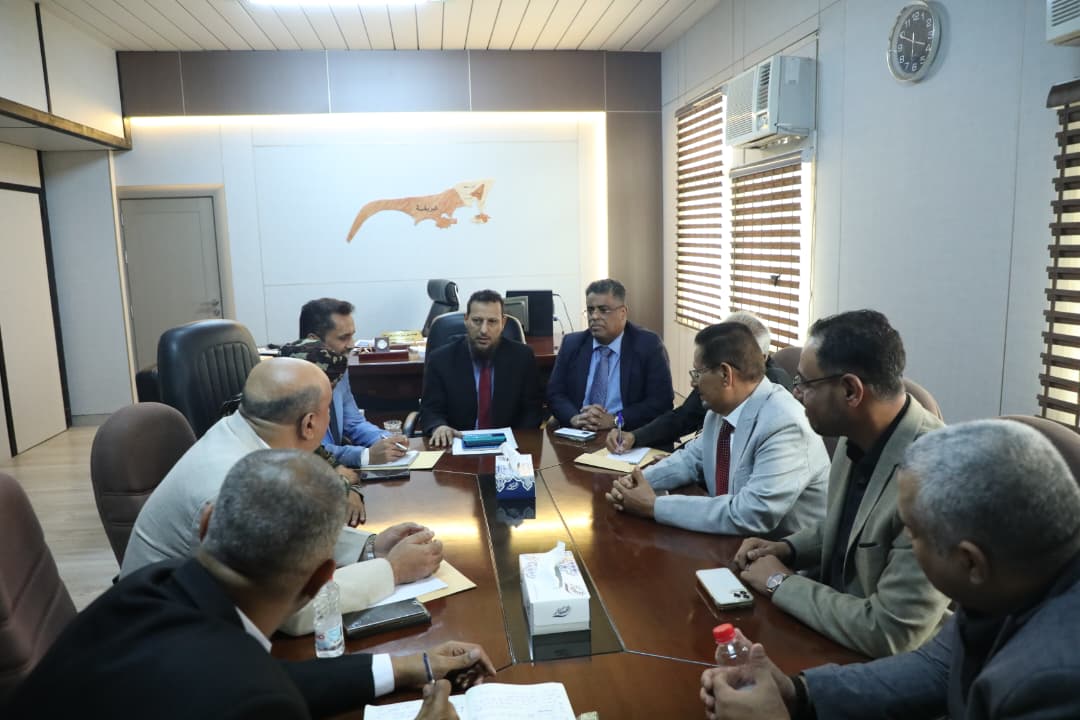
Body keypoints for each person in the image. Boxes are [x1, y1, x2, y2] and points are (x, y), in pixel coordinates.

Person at [8, 449, 494, 719]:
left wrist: (409, 666)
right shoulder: (251, 701)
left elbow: (265, 675)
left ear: (206, 525)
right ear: (321, 581)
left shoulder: (147, 586)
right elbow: (252, 687)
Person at [700, 420, 1080, 720]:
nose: (904, 540)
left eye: (912, 532)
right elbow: (936, 667)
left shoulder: (1052, 682)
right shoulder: (1012, 579)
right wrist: (797, 692)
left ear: (970, 562)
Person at [122, 358, 442, 623]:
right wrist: (392, 570)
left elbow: (288, 535)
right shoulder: (237, 486)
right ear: (309, 424)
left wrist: (370, 547)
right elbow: (290, 608)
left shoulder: (236, 431)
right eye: (329, 409)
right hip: (175, 638)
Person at [733, 310, 950, 658]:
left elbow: (890, 632)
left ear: (850, 390)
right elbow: (852, 526)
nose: (796, 394)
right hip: (828, 627)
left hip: (887, 663)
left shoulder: (935, 477)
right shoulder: (857, 433)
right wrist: (786, 549)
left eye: (805, 383)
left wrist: (779, 581)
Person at [604, 322, 827, 537]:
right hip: (729, 541)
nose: (693, 383)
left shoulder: (784, 424)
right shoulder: (719, 412)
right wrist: (637, 481)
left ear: (725, 374)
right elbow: (689, 460)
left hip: (779, 554)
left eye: (698, 373)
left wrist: (654, 506)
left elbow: (751, 513)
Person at [604, 310, 793, 453]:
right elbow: (684, 418)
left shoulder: (775, 395)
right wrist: (635, 436)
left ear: (762, 356)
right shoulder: (714, 381)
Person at [546, 278, 674, 432]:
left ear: (622, 313)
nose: (594, 316)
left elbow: (661, 402)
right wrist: (574, 418)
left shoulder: (648, 345)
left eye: (603, 310)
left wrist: (615, 420)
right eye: (590, 310)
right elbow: (555, 393)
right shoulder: (572, 344)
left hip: (627, 433)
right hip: (579, 432)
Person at [421, 289, 543, 447]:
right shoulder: (441, 359)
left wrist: (518, 442)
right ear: (466, 320)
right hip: (456, 445)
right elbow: (430, 410)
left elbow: (532, 410)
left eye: (492, 321)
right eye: (477, 321)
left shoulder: (522, 357)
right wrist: (439, 426)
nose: (484, 330)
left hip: (508, 447)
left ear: (503, 323)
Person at [299, 298, 409, 467]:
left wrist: (387, 440)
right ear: (314, 340)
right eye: (344, 338)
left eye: (352, 336)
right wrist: (365, 456)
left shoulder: (339, 369)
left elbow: (353, 423)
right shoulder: (292, 383)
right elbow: (310, 449)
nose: (352, 345)